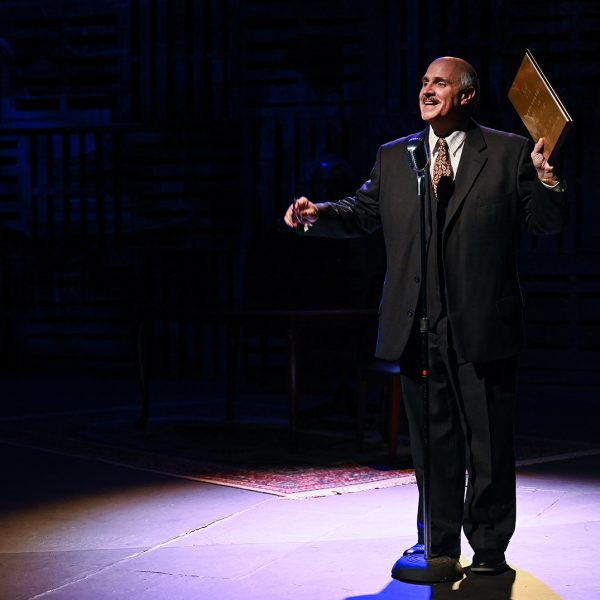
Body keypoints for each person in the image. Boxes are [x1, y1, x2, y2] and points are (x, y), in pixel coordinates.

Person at [283, 56, 568, 575]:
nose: (427, 89)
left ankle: (488, 549)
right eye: (423, 82)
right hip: (418, 326)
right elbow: (364, 211)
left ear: (465, 95)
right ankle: (438, 545)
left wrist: (547, 181)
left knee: (487, 444)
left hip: (483, 324)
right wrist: (317, 214)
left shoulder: (508, 152)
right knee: (433, 445)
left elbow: (544, 224)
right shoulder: (397, 157)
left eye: (439, 82)